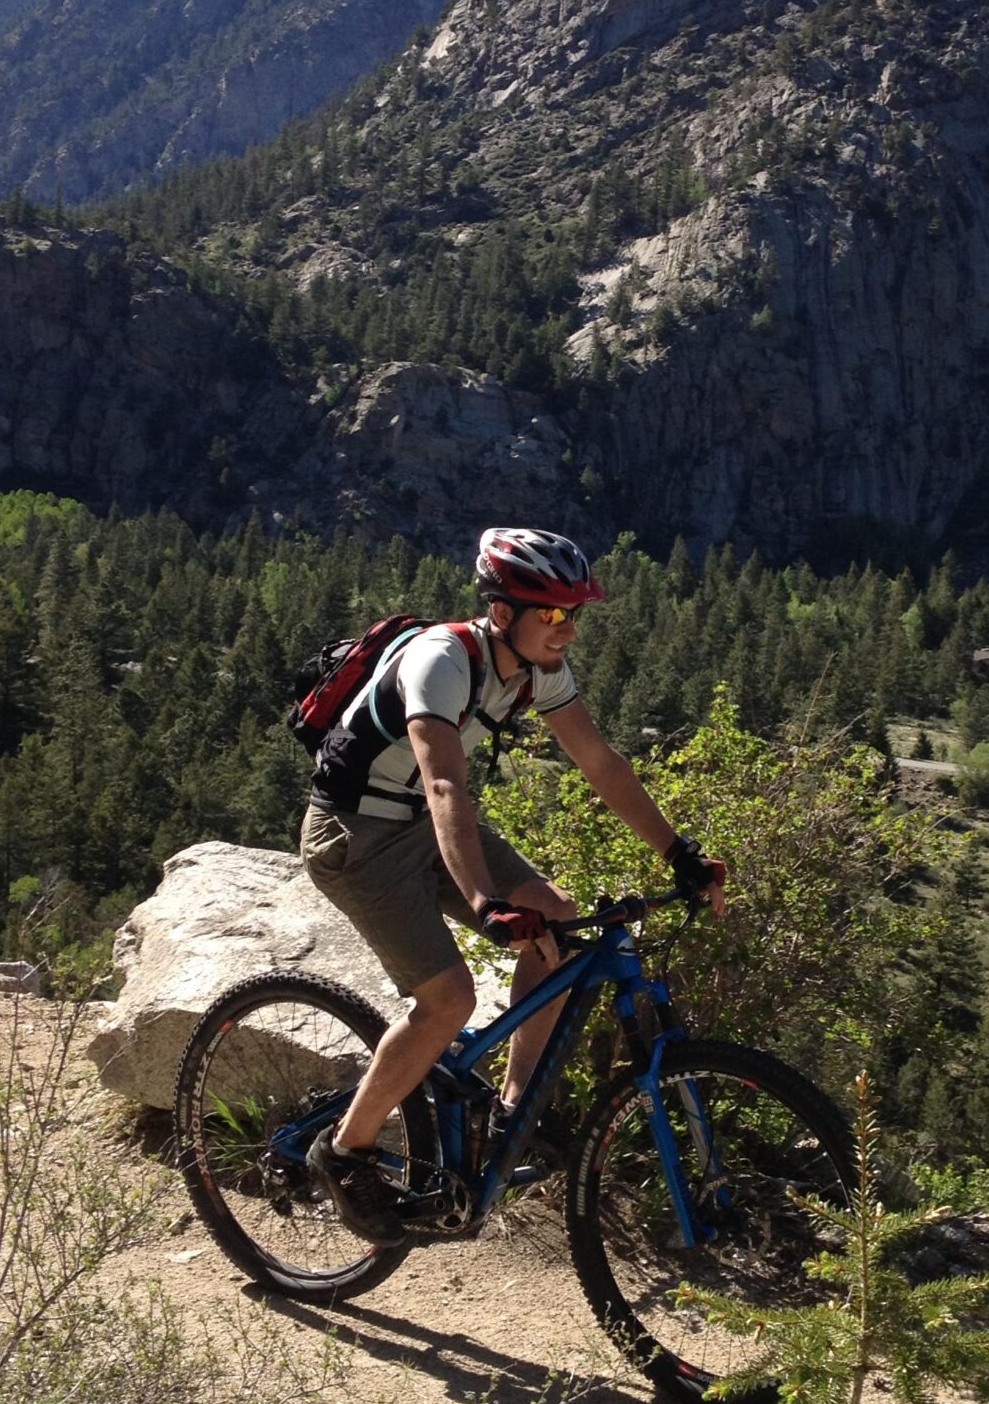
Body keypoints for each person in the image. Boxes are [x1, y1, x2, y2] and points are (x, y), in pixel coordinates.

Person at [298, 525, 724, 1235]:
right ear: (502, 612)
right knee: (447, 1001)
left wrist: (678, 852)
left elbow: (601, 763)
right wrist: (483, 902)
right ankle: (344, 1152)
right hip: (358, 835)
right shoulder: (441, 660)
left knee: (555, 918)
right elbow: (442, 785)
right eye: (552, 615)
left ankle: (512, 1114)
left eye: (574, 616)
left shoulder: (536, 667)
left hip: (422, 824)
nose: (567, 632)